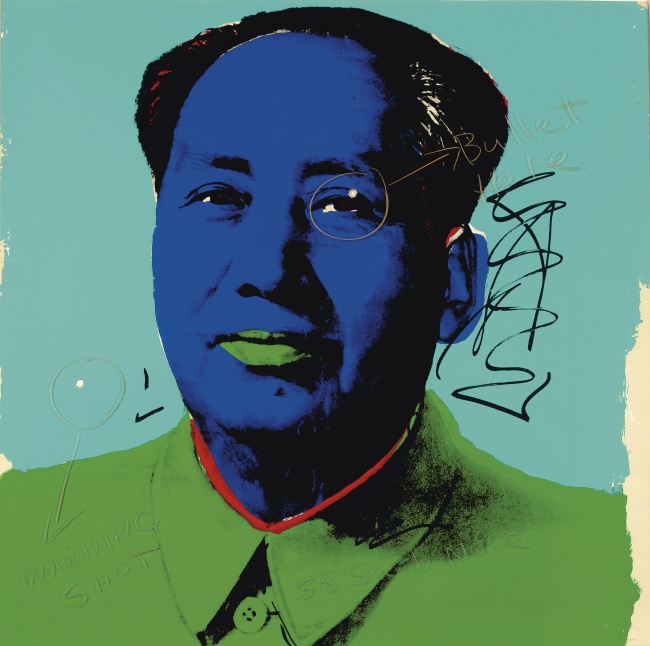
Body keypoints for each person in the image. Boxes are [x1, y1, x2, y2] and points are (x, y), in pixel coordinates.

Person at [0, 8, 637, 645]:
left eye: (346, 204)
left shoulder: (608, 573)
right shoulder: (16, 540)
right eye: (219, 196)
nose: (267, 271)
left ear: (457, 281)